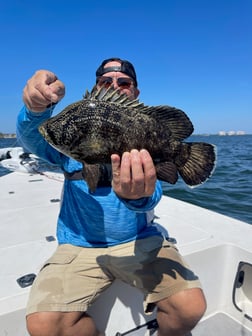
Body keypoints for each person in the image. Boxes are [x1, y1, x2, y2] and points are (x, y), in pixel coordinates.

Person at [17, 57, 206, 336]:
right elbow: (34, 136)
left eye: (124, 82)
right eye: (106, 82)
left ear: (135, 92)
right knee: (43, 325)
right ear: (97, 86)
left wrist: (137, 197)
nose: (115, 86)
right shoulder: (71, 135)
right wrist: (35, 109)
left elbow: (151, 196)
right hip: (78, 246)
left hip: (138, 241)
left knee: (190, 307)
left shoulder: (142, 125)